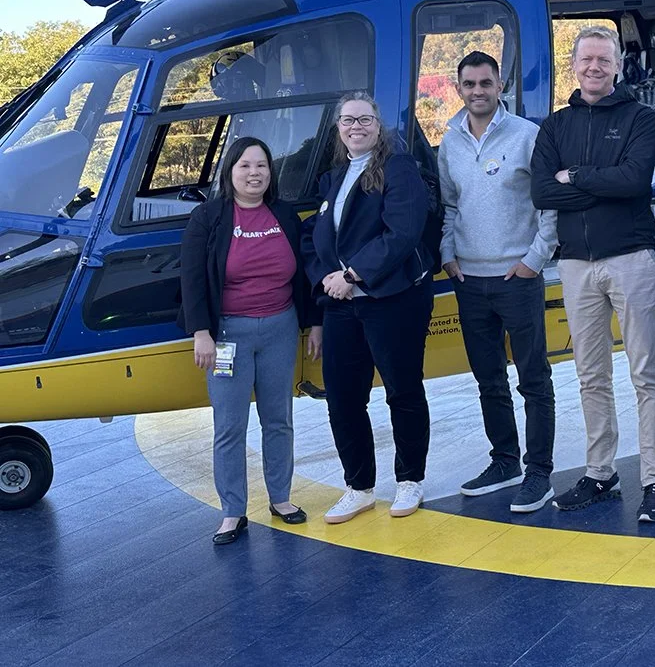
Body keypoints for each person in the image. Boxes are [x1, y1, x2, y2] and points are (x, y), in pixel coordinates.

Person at [531, 25, 655, 523]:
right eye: (586, 59)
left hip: (629, 259)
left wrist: (576, 177)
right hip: (575, 264)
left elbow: (634, 181)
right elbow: (542, 192)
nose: (594, 67)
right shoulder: (555, 126)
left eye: (603, 60)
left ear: (616, 66)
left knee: (645, 372)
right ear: (573, 65)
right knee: (591, 375)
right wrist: (600, 185)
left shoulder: (640, 118)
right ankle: (600, 472)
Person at [302, 91, 436, 525]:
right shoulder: (333, 178)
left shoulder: (399, 168)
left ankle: (410, 479)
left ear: (378, 126)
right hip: (342, 306)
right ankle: (358, 487)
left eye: (364, 119)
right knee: (342, 399)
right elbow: (315, 238)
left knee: (403, 390)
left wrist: (354, 274)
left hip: (392, 300)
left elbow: (403, 233)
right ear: (338, 128)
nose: (355, 126)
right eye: (348, 120)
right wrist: (326, 278)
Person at [178, 136, 319, 545]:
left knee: (279, 419)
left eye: (261, 165)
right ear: (230, 171)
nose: (254, 173)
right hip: (227, 336)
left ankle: (281, 498)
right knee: (229, 425)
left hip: (280, 329)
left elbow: (304, 274)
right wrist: (201, 333)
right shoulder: (209, 218)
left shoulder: (284, 216)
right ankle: (232, 511)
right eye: (245, 165)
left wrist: (315, 324)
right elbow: (192, 279)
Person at [439, 51, 559, 514]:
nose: (478, 91)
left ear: (500, 86)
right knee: (489, 379)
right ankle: (505, 461)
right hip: (470, 280)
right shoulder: (449, 141)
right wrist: (448, 254)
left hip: (517, 279)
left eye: (486, 83)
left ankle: (539, 473)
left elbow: (549, 204)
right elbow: (450, 205)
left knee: (534, 379)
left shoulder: (527, 135)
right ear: (458, 88)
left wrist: (534, 260)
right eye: (469, 84)